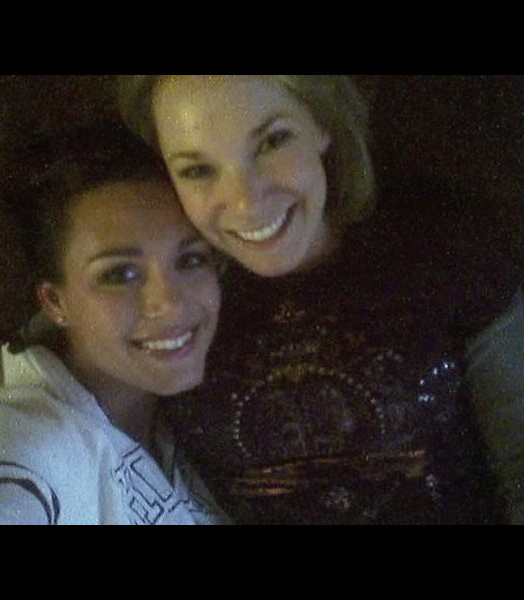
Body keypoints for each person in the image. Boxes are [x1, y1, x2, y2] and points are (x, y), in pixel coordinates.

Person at [117, 74, 521, 524]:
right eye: (198, 170)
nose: (246, 203)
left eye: (272, 142)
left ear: (322, 122)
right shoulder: (167, 302)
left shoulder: (446, 249)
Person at [0, 122, 229, 525]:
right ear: (55, 301)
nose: (170, 303)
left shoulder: (187, 431)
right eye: (120, 274)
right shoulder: (27, 431)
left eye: (190, 259)